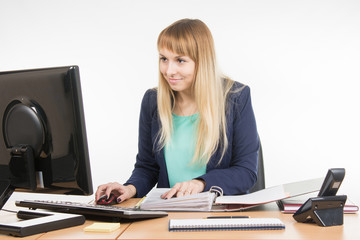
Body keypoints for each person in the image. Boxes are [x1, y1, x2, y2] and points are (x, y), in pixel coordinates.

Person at [95, 18, 259, 204]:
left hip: (219, 213)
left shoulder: (235, 98)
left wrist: (201, 183)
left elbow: (246, 172)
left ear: (202, 61)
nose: (169, 70)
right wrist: (129, 188)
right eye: (164, 59)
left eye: (180, 60)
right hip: (169, 211)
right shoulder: (153, 101)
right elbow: (147, 167)